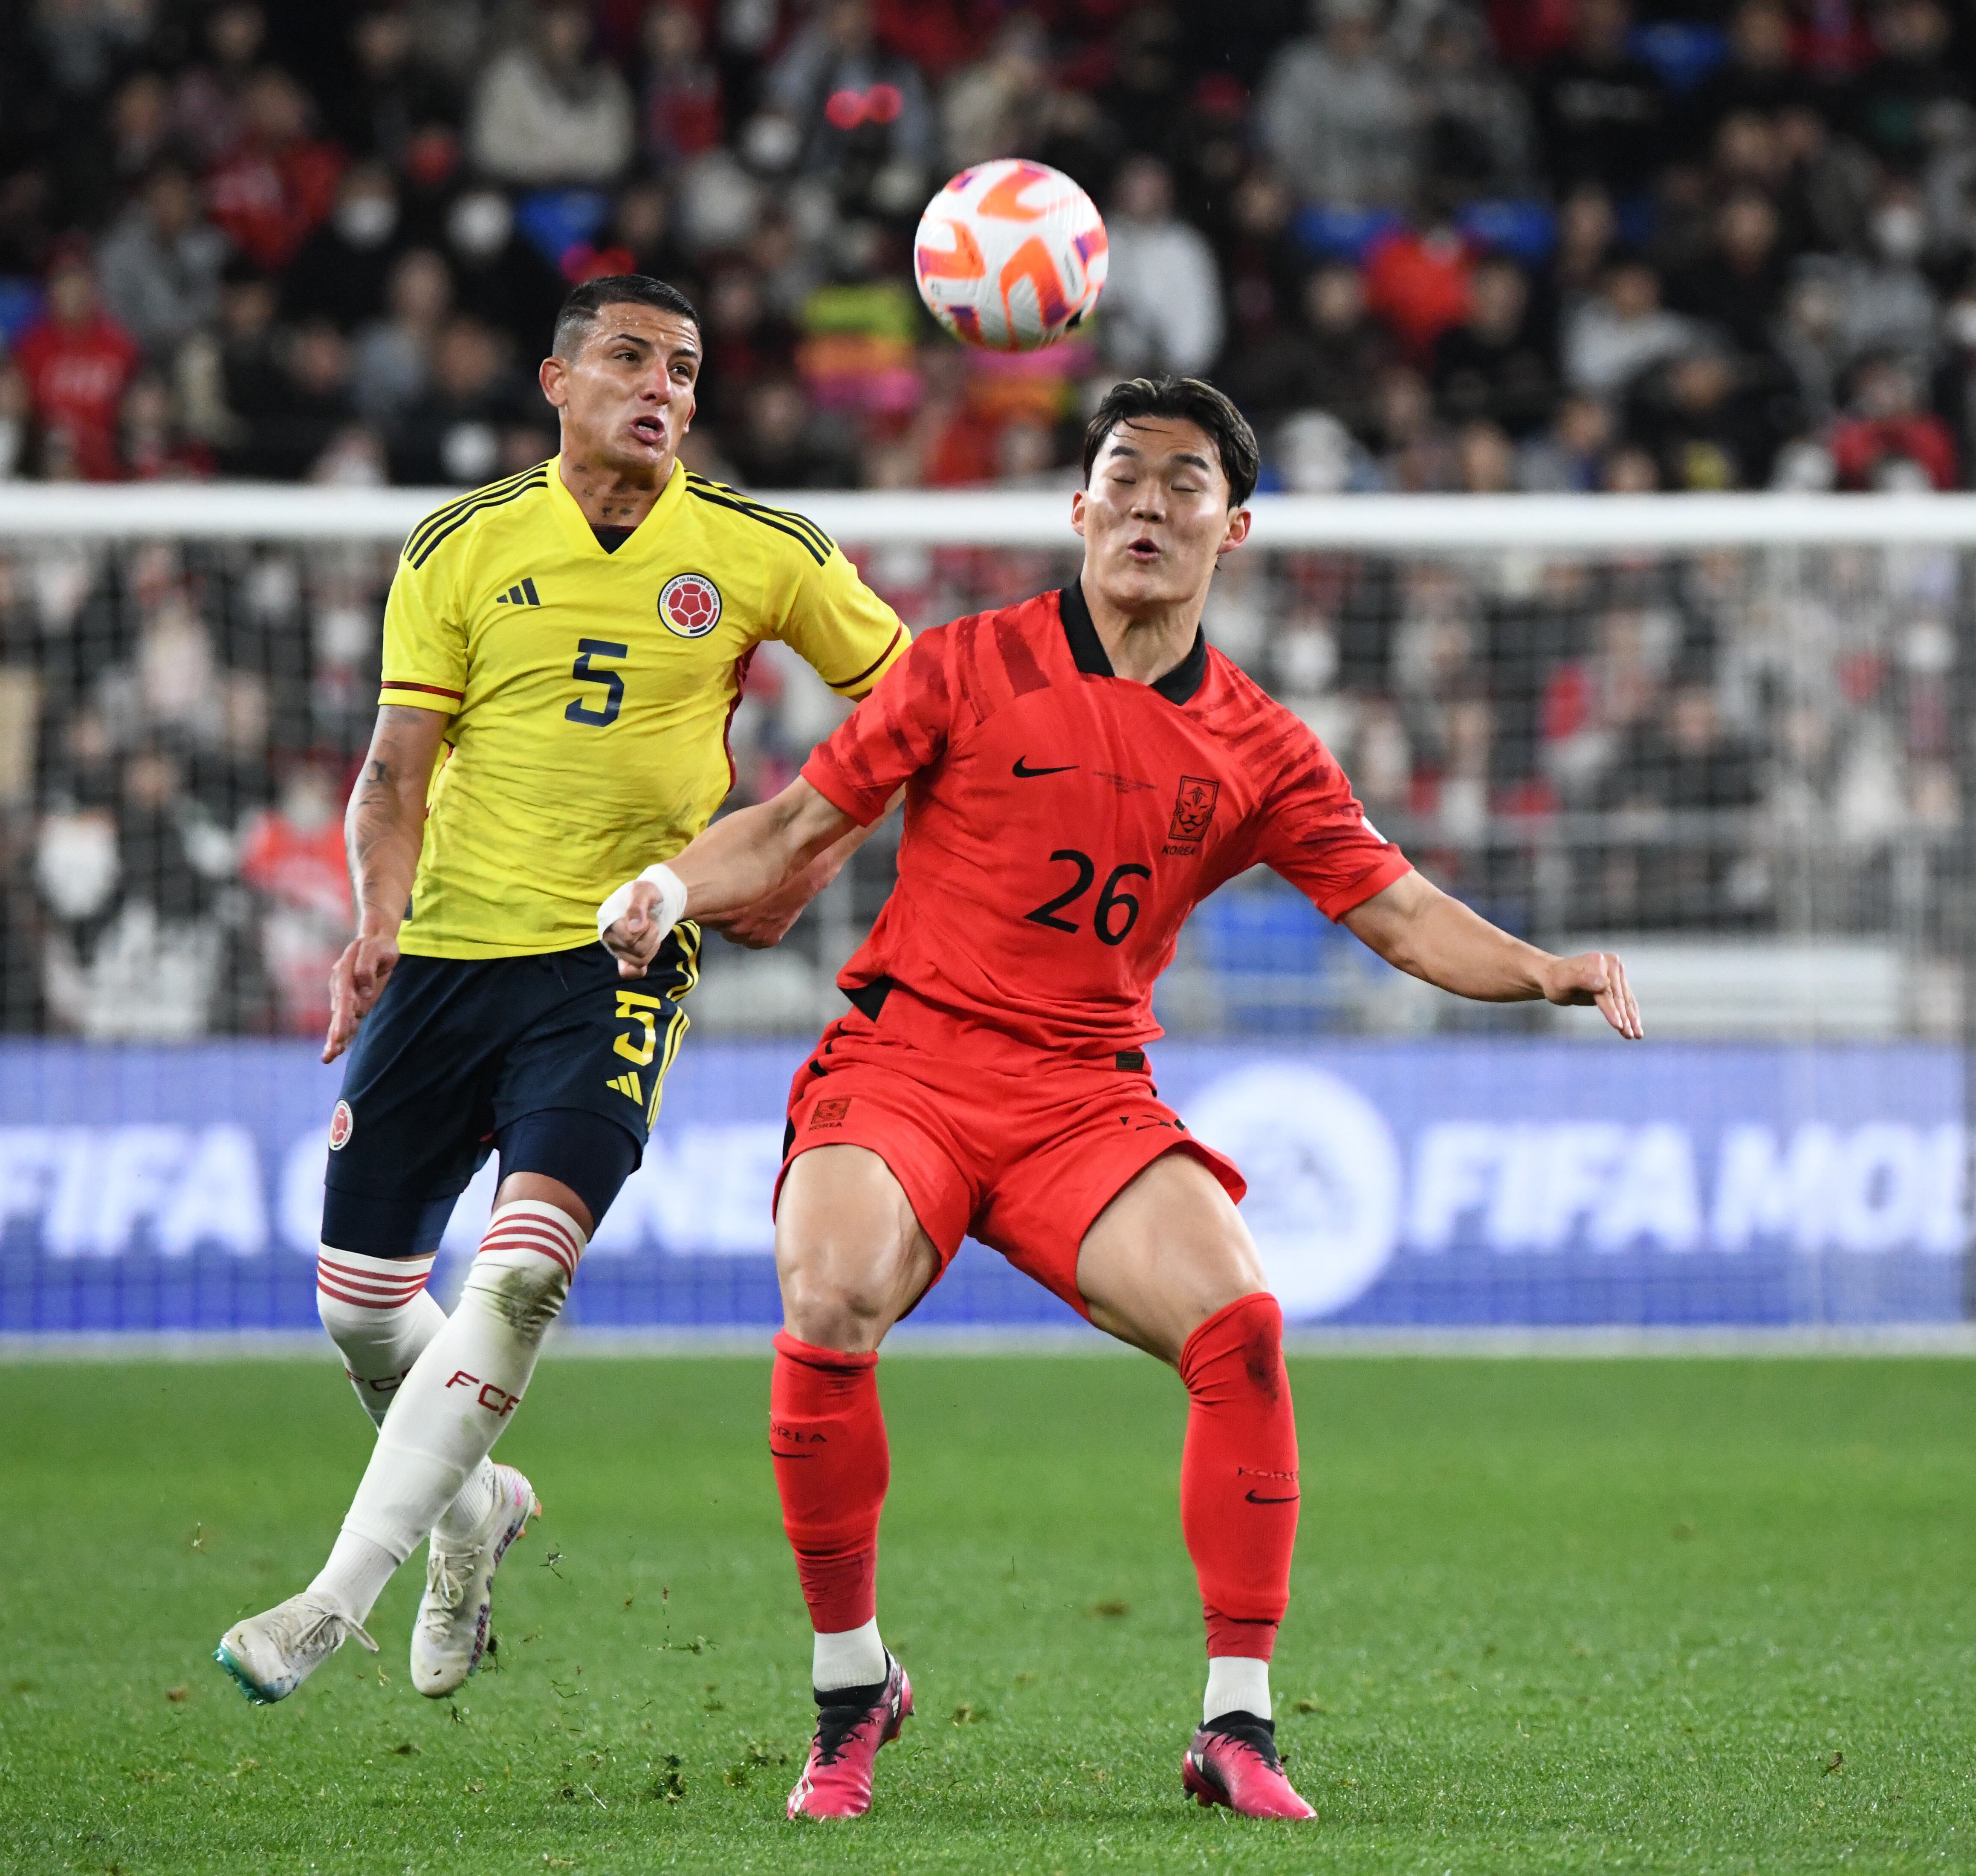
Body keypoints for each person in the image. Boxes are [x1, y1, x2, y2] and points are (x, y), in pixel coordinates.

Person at [600, 374, 1643, 1823]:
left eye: (1184, 483)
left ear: (1237, 528)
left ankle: (1237, 1725)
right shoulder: (964, 665)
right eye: (1125, 478)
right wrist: (667, 884)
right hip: (909, 1062)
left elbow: (1401, 915)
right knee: (827, 1292)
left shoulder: (1261, 745)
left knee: (1243, 1324)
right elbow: (790, 827)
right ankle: (852, 1691)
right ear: (1079, 508)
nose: (1150, 505)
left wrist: (1548, 970)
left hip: (1085, 1095)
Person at [213, 274, 909, 1709]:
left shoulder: (762, 548)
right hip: (447, 955)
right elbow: (394, 772)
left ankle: (332, 1600)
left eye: (686, 368)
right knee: (363, 1312)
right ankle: (474, 1510)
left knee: (524, 1272)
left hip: (619, 960)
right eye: (631, 358)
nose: (663, 387)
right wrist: (375, 922)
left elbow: (916, 715)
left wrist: (803, 856)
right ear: (557, 382)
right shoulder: (462, 544)